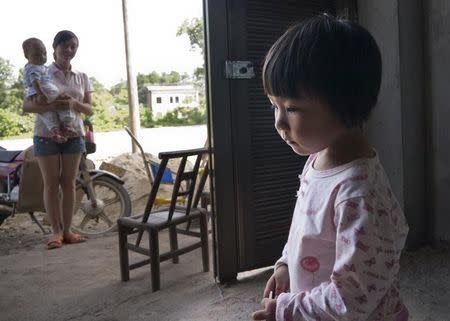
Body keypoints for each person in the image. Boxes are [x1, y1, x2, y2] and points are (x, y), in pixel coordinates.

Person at [252, 14, 409, 321]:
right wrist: (286, 262)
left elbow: (354, 298)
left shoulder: (358, 194)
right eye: (274, 106)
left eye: (292, 108)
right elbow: (306, 230)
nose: (279, 123)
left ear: (346, 102)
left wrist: (286, 310)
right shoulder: (318, 160)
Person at [23, 30, 93, 250]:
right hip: (46, 135)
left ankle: (68, 231)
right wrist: (54, 106)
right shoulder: (41, 71)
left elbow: (90, 109)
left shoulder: (82, 76)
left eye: (73, 46)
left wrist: (73, 103)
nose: (69, 50)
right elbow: (27, 106)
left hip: (74, 134)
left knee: (69, 184)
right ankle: (55, 233)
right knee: (51, 183)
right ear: (53, 48)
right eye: (64, 46)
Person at [22, 37, 77, 143]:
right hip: (44, 93)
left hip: (45, 94)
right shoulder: (33, 68)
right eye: (37, 55)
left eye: (44, 53)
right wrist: (41, 94)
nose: (42, 57)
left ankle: (57, 131)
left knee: (48, 113)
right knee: (61, 103)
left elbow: (89, 109)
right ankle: (67, 126)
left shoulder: (42, 67)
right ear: (27, 56)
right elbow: (35, 82)